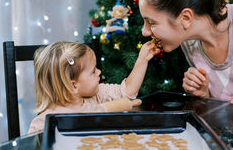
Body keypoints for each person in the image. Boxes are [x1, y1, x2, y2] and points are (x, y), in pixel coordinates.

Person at [28, 40, 159, 134]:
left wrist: (143, 59)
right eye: (93, 71)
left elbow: (127, 91)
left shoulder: (97, 94)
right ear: (73, 86)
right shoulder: (43, 123)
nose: (99, 72)